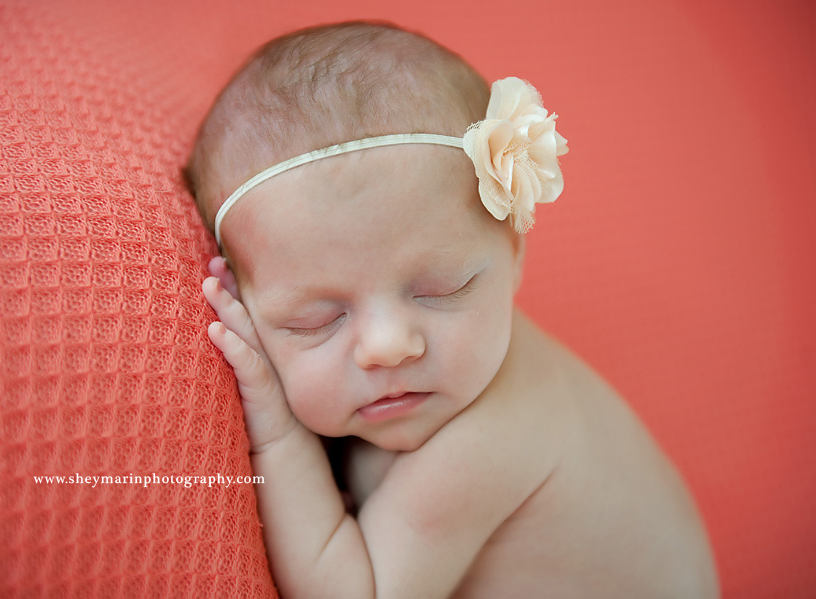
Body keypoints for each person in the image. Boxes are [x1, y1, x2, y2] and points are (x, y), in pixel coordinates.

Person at [186, 21, 719, 598]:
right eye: (314, 321)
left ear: (514, 251)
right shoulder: (450, 379)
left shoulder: (485, 440)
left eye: (442, 289)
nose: (389, 344)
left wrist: (280, 437)